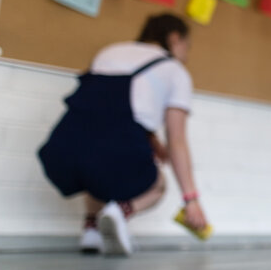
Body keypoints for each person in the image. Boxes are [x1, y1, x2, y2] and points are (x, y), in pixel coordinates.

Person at [38, 13, 208, 256]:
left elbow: (101, 109)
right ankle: (120, 212)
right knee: (157, 184)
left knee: (94, 162)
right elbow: (177, 140)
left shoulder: (110, 51)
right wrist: (191, 200)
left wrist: (151, 139)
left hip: (63, 147)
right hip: (113, 148)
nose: (187, 55)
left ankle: (91, 231)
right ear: (174, 38)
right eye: (187, 47)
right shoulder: (175, 70)